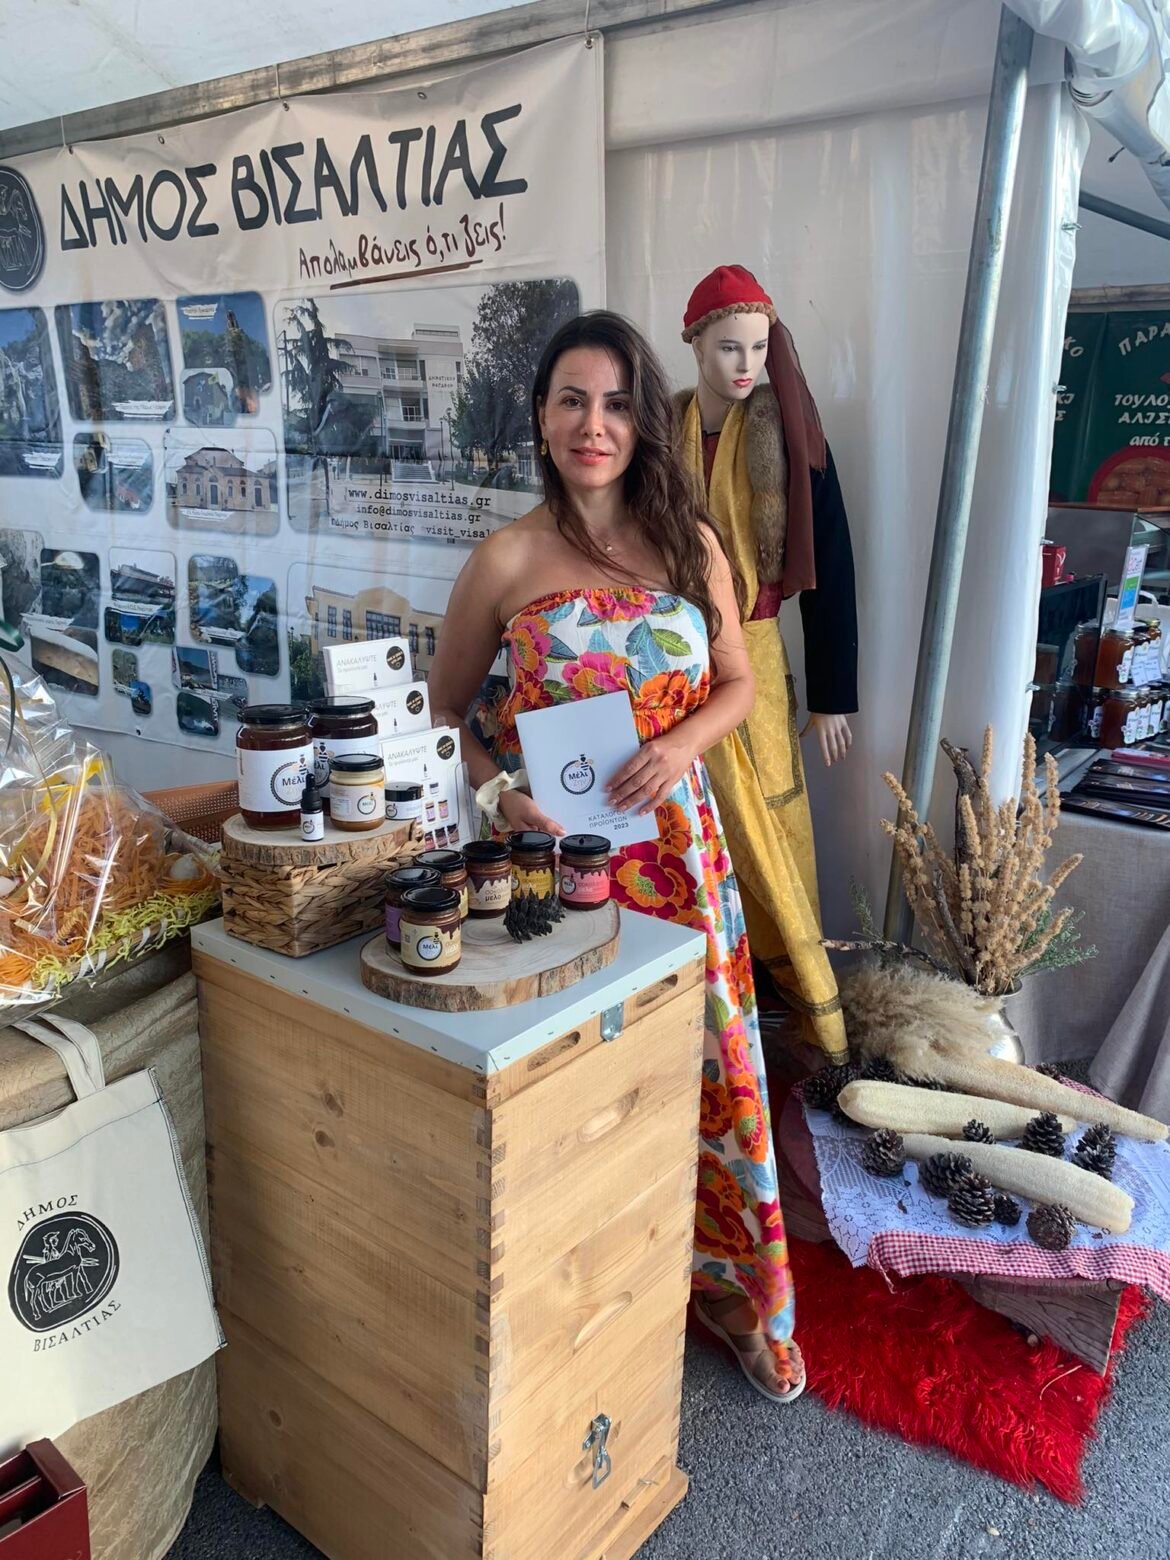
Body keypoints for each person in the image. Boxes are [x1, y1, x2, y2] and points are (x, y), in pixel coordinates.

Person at [428, 310, 803, 1402]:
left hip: (679, 861)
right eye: (572, 401)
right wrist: (496, 791)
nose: (595, 425)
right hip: (557, 875)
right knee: (577, 1085)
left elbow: (738, 683)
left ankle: (731, 1292)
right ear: (541, 419)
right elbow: (443, 713)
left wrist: (682, 744)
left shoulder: (692, 544)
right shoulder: (503, 559)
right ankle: (584, 1294)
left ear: (642, 421)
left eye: (618, 404)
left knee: (710, 1068)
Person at [673, 265, 859, 1065]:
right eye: (727, 347)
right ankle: (709, 986)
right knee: (698, 820)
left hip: (757, 650)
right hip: (673, 661)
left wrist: (832, 694)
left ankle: (796, 999)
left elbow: (832, 564)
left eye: (757, 346)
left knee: (773, 820)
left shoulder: (791, 438)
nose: (745, 364)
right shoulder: (662, 435)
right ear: (694, 344)